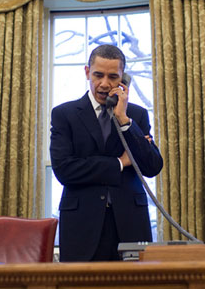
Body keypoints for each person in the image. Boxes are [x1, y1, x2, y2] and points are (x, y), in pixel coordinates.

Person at [50, 44, 164, 262]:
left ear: (123, 79)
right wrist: (120, 163)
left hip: (130, 222)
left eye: (113, 77)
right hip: (82, 224)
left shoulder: (136, 116)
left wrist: (123, 119)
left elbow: (152, 166)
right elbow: (65, 170)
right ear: (87, 72)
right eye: (98, 75)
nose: (104, 84)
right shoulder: (64, 115)